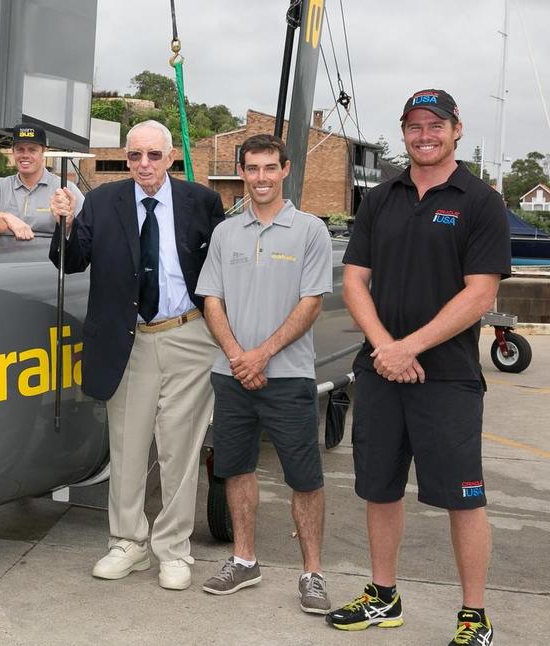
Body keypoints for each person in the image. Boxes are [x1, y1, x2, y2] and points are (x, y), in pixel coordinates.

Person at [326, 90, 510, 646]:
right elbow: (355, 279)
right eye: (413, 126)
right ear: (403, 133)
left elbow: (480, 295)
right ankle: (383, 597)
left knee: (462, 496)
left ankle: (474, 614)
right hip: (381, 369)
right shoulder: (380, 198)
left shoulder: (480, 202)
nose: (424, 135)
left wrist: (410, 347)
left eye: (435, 125)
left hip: (447, 376)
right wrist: (386, 347)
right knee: (379, 489)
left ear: (457, 129)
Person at [49, 120, 224, 591]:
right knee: (126, 448)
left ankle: (173, 549)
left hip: (188, 336)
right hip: (126, 341)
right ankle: (127, 542)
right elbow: (72, 260)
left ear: (171, 158)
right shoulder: (103, 202)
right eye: (134, 156)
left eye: (152, 155)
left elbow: (223, 268)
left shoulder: (202, 203)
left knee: (180, 450)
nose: (143, 164)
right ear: (125, 159)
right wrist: (64, 222)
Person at [195, 134, 333, 613]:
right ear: (242, 172)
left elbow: (311, 303)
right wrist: (237, 355)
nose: (260, 178)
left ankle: (312, 574)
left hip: (289, 377)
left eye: (269, 168)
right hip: (230, 373)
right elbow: (212, 299)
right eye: (251, 169)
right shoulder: (225, 232)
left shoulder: (310, 230)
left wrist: (262, 355)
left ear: (285, 170)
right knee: (235, 468)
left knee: (305, 477)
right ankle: (244, 560)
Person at [0, 123, 83, 236]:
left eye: (32, 150)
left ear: (43, 152)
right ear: (13, 152)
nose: (25, 155)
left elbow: (87, 229)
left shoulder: (66, 188)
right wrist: (5, 216)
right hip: (5, 252)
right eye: (20, 150)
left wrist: (69, 224)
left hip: (49, 253)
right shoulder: (0, 187)